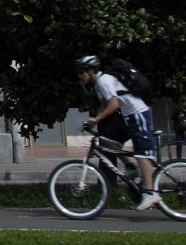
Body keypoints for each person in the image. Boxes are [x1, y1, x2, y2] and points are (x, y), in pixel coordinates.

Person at [76, 55, 161, 210]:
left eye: (82, 73)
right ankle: (130, 167)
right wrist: (93, 119)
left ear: (91, 71)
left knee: (142, 154)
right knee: (107, 140)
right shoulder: (99, 84)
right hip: (127, 116)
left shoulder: (103, 81)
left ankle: (150, 192)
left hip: (138, 114)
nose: (80, 76)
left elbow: (114, 105)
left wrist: (97, 120)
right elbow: (105, 104)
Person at [172, 95, 186, 160]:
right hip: (179, 129)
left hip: (185, 128)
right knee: (179, 144)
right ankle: (179, 158)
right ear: (182, 103)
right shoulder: (178, 109)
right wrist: (179, 116)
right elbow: (173, 117)